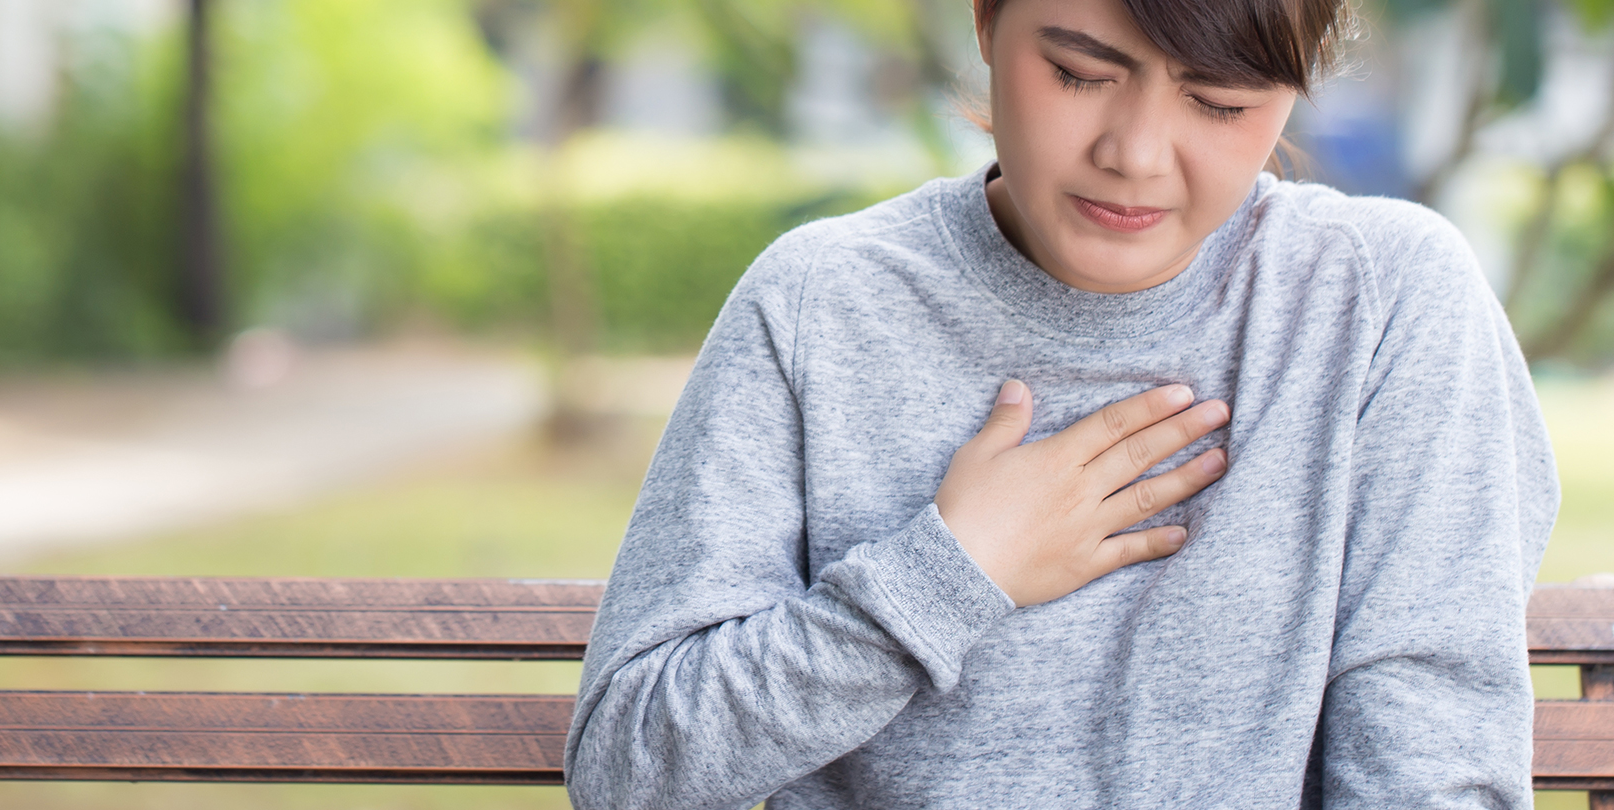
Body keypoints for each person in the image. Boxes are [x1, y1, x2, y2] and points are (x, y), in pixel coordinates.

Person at [563, 0, 1558, 804]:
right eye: (1080, 73)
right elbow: (627, 768)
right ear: (988, 24)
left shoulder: (1383, 301)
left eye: (1219, 101)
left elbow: (1432, 767)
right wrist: (950, 572)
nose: (1136, 153)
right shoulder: (822, 304)